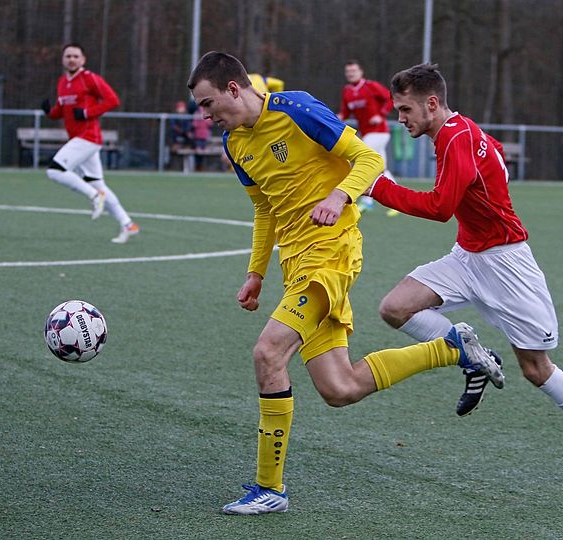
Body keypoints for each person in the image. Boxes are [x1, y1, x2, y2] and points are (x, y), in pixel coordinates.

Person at [187, 51, 504, 516]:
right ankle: (452, 348)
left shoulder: (295, 109)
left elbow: (368, 158)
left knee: (268, 353)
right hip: (296, 263)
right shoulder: (235, 143)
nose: (204, 114)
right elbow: (264, 209)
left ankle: (269, 488)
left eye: (207, 103)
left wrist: (339, 196)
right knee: (340, 388)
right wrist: (256, 273)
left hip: (331, 254)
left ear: (233, 88)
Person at [368, 63, 563, 485]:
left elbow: (439, 208)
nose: (400, 118)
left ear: (431, 104)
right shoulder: (460, 130)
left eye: (405, 109)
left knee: (536, 369)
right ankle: (470, 356)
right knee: (395, 308)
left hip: (507, 265)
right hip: (468, 256)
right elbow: (496, 152)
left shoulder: (454, 137)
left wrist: (377, 187)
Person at [40, 43, 139, 244]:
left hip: (88, 137)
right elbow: (62, 110)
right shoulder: (62, 82)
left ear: (83, 60)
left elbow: (112, 100)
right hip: (78, 139)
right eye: (68, 56)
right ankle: (127, 224)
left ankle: (94, 196)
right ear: (63, 59)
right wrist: (50, 112)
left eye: (76, 56)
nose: (72, 59)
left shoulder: (89, 78)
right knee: (97, 183)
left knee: (55, 171)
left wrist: (87, 113)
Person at [338, 60, 398, 215]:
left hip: (379, 131)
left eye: (353, 71)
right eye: (348, 71)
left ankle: (367, 201)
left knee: (364, 161)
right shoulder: (347, 91)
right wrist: (339, 117)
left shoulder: (370, 86)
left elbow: (390, 98)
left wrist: (381, 115)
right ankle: (397, 199)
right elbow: (345, 112)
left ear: (361, 72)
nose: (351, 74)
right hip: (367, 133)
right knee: (381, 168)